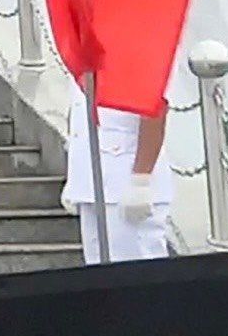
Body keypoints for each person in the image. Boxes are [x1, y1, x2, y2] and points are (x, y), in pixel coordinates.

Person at [61, 75, 173, 263]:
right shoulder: (85, 56)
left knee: (140, 275)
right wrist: (76, 179)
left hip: (127, 184)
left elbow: (154, 112)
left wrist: (141, 180)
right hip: (92, 184)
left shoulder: (139, 53)